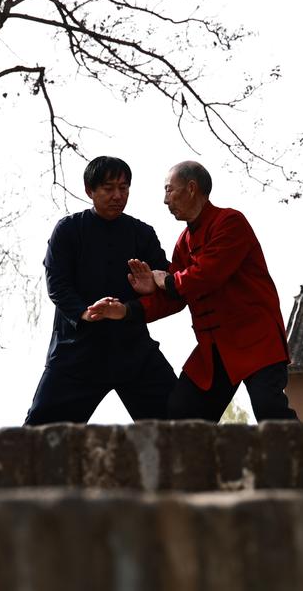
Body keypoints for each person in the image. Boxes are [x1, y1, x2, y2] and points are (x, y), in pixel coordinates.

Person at [84, 160, 297, 422]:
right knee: (183, 412)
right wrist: (127, 310)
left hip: (255, 339)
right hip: (214, 348)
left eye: (169, 190)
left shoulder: (230, 222)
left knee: (270, 410)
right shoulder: (183, 243)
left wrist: (166, 281)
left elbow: (206, 275)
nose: (165, 200)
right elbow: (174, 298)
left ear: (192, 188)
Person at [24, 156, 179, 425]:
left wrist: (151, 286)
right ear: (89, 190)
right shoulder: (68, 230)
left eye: (124, 188)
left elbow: (168, 285)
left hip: (133, 350)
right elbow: (57, 284)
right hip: (76, 352)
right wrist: (84, 313)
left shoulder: (142, 233)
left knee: (181, 424)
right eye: (108, 188)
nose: (117, 196)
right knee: (38, 434)